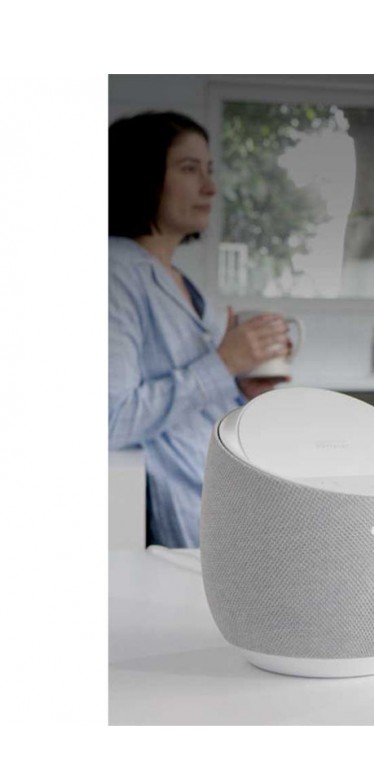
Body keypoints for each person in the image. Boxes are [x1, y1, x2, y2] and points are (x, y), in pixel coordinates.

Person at [109, 111, 290, 548]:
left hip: (220, 501)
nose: (210, 188)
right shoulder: (114, 273)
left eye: (209, 170)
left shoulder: (179, 280)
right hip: (181, 518)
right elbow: (112, 419)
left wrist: (240, 385)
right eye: (190, 170)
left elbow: (195, 399)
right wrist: (223, 363)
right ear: (141, 176)